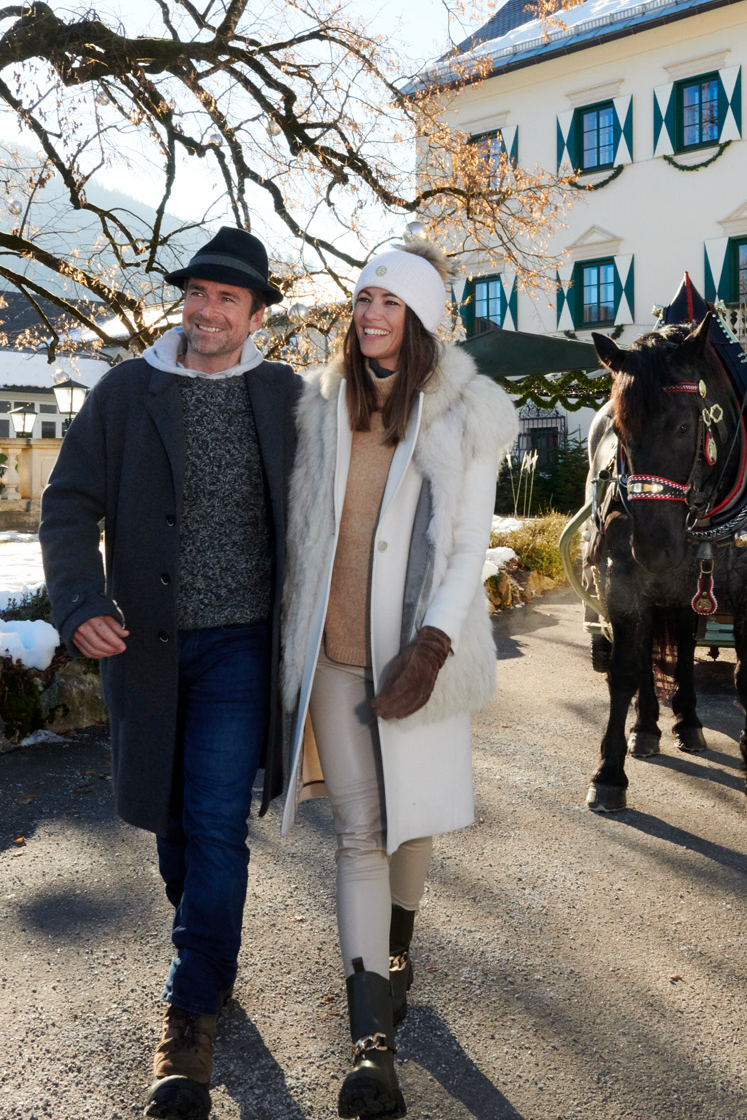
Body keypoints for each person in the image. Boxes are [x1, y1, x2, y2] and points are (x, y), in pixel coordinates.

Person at [40, 227, 300, 1120]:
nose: (207, 310)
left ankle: (189, 1020)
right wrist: (79, 602)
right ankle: (209, 949)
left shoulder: (284, 395)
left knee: (217, 820)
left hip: (242, 646)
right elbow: (68, 503)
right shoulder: (127, 390)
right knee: (170, 818)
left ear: (256, 315)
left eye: (229, 298)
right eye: (197, 293)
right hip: (146, 645)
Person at [280, 239, 517, 1119]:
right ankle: (370, 1046)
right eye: (363, 299)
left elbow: (464, 548)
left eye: (390, 302)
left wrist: (432, 645)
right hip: (333, 658)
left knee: (413, 823)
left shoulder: (464, 412)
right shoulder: (322, 402)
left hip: (418, 657)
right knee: (361, 833)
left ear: (420, 319)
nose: (371, 315)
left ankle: (399, 948)